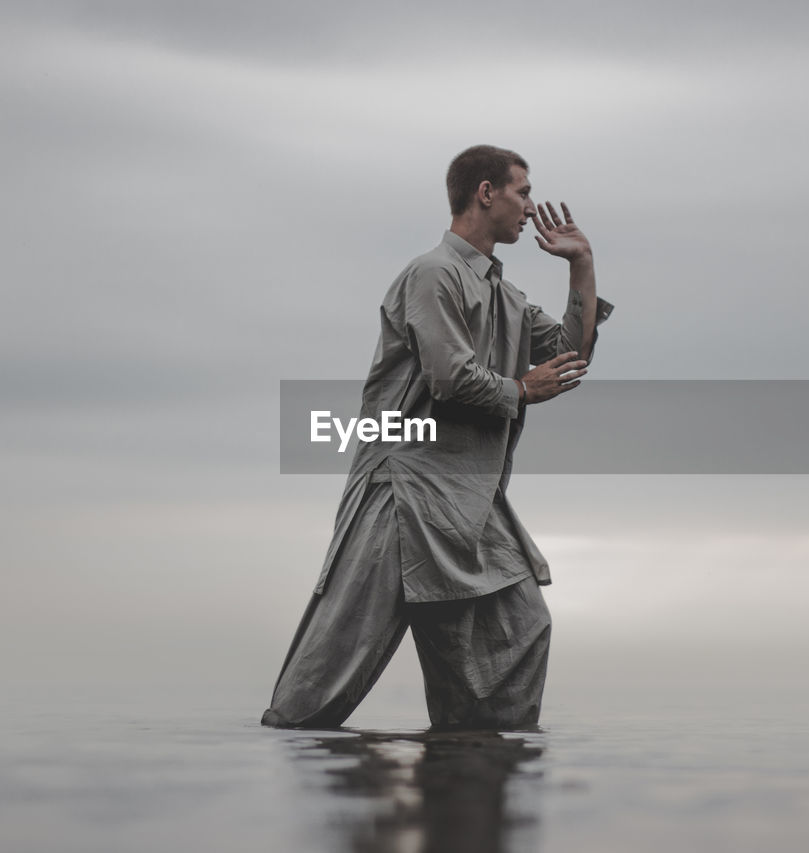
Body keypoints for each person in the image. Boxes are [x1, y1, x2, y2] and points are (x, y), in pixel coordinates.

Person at [262, 145, 613, 730]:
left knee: (522, 631)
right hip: (403, 491)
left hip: (470, 499)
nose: (529, 208)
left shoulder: (506, 298)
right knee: (326, 678)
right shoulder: (432, 274)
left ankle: (470, 780)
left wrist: (581, 265)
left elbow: (569, 357)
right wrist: (521, 390)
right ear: (485, 192)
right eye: (522, 193)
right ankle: (286, 794)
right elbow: (449, 378)